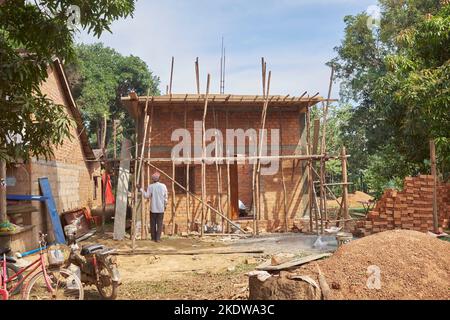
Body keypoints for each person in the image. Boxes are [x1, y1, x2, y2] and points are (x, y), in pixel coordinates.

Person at [140, 172, 168, 242]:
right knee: (159, 224)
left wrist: (140, 189)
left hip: (153, 208)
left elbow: (146, 196)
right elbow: (166, 197)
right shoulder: (163, 186)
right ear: (159, 179)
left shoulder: (151, 186)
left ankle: (153, 238)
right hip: (161, 208)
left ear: (153, 180)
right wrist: (165, 205)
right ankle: (158, 238)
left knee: (153, 223)